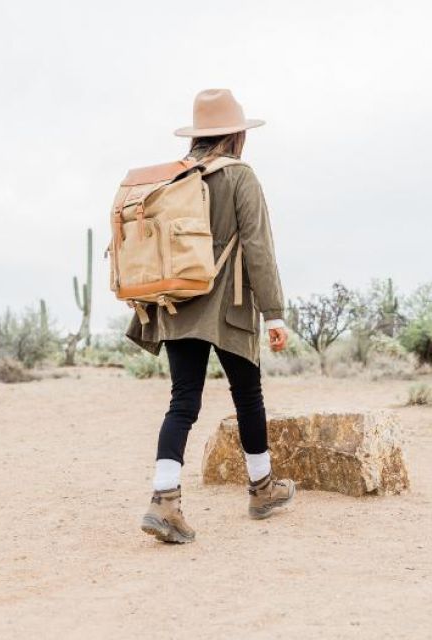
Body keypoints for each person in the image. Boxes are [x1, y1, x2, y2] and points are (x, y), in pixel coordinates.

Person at [127, 89, 295, 544]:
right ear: (238, 134)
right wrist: (275, 314)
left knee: (183, 402)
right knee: (248, 395)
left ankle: (164, 499)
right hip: (229, 304)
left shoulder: (176, 177)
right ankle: (262, 489)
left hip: (177, 301)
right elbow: (258, 247)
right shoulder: (240, 176)